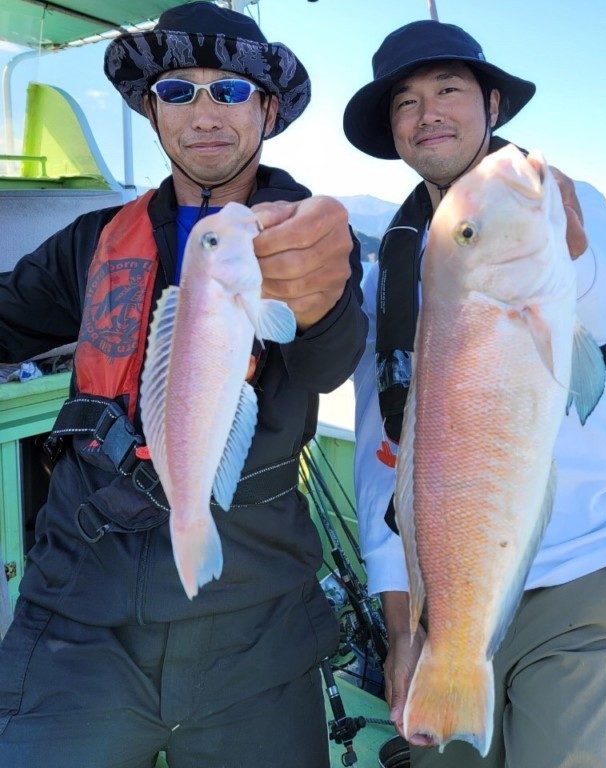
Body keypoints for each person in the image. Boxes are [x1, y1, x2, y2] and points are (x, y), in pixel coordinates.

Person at [0, 3, 367, 767]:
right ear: (151, 108)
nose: (204, 114)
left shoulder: (309, 241)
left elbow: (331, 364)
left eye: (230, 91)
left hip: (257, 626)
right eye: (177, 91)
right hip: (79, 618)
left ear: (267, 111)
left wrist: (324, 296)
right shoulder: (90, 243)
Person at [345, 19, 606, 768]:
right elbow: (383, 453)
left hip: (583, 571)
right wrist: (403, 626)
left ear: (492, 104)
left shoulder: (564, 208)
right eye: (405, 102)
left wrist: (565, 246)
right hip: (446, 597)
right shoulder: (385, 275)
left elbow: (604, 316)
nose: (428, 113)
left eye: (448, 90)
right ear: (394, 133)